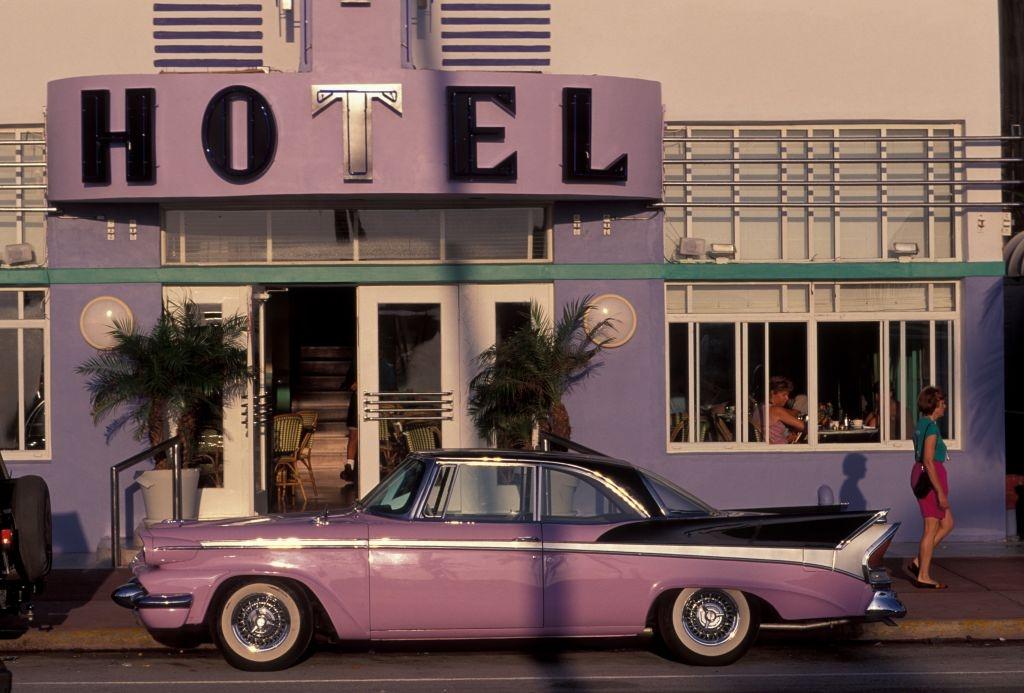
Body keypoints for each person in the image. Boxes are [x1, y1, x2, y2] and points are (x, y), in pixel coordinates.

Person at [909, 386, 953, 589]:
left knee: (948, 523)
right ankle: (923, 575)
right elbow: (928, 459)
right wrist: (940, 492)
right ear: (934, 405)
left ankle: (919, 561)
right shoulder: (932, 428)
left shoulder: (923, 423)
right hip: (930, 477)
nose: (945, 406)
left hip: (924, 474)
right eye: (942, 403)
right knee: (931, 527)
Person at [764, 376, 805, 444]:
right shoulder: (775, 410)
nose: (787, 398)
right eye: (784, 395)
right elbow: (804, 427)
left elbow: (772, 436)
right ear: (772, 393)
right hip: (781, 452)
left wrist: (788, 437)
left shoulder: (761, 409)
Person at [340, 361, 358, 483]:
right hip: (356, 403)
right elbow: (347, 384)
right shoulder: (355, 365)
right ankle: (349, 467)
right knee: (353, 435)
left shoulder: (384, 366)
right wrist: (353, 385)